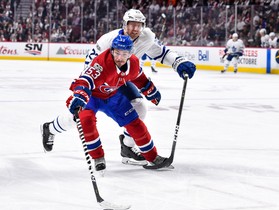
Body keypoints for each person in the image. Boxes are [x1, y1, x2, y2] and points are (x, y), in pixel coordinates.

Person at [41, 9, 196, 167]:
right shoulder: (108, 40)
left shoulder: (146, 37)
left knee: (139, 107)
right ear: (124, 24)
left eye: (139, 25)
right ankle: (51, 128)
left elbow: (161, 52)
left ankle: (127, 148)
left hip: (123, 79)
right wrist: (83, 92)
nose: (135, 29)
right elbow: (89, 68)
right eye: (131, 25)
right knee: (78, 117)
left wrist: (178, 62)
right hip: (100, 82)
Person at [66, 34, 170, 172]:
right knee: (86, 120)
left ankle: (152, 157)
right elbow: (85, 80)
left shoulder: (133, 63)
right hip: (92, 96)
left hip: (112, 95)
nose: (120, 57)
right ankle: (97, 157)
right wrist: (80, 95)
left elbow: (139, 77)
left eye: (124, 53)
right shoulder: (101, 64)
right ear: (112, 51)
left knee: (135, 123)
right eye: (117, 53)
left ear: (130, 53)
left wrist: (149, 89)